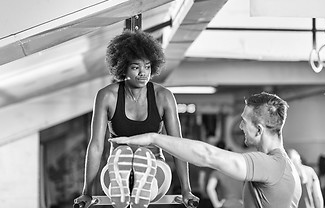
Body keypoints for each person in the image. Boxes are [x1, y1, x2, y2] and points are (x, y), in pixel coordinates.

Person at [110, 92, 302, 208]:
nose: (240, 127)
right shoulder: (289, 167)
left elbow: (208, 155)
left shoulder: (271, 165)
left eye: (244, 122)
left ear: (259, 129)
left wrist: (154, 138)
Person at [74, 30, 198, 208]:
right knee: (120, 165)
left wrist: (187, 190)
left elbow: (177, 145)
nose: (143, 73)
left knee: (135, 163)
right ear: (122, 67)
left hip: (154, 165)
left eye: (147, 66)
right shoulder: (108, 96)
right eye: (135, 67)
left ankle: (139, 177)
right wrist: (85, 192)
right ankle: (129, 179)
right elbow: (96, 146)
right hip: (120, 171)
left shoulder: (163, 96)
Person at [206, 141, 245, 208]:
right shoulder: (241, 172)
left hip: (226, 204)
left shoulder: (217, 172)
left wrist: (216, 204)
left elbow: (209, 188)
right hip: (241, 204)